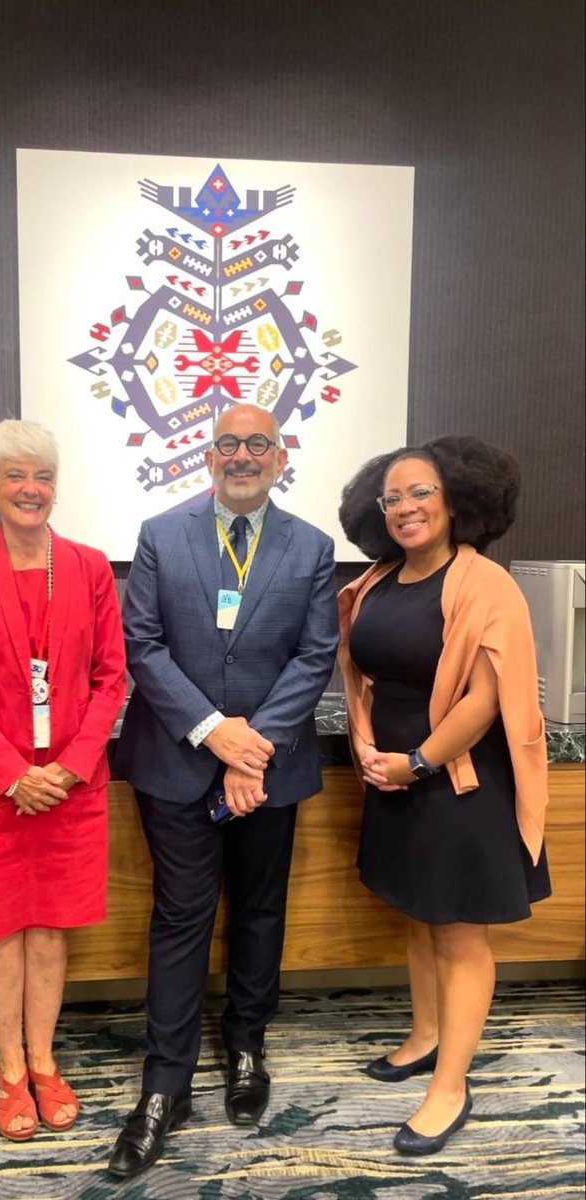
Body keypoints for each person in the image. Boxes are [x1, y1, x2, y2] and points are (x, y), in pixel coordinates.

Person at [108, 402, 339, 1178]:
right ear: (208, 456)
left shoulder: (310, 547)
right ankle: (163, 1085)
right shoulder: (159, 534)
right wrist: (214, 733)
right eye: (228, 443)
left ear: (280, 458)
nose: (242, 456)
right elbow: (140, 644)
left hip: (269, 767)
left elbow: (313, 657)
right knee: (180, 914)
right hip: (175, 760)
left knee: (260, 907)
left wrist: (251, 751)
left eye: (258, 445)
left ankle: (246, 1047)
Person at [337, 435, 551, 1156]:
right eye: (391, 496)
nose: (403, 507)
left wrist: (418, 763)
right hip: (393, 775)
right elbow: (361, 676)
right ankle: (424, 1036)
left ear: (456, 499)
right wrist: (365, 745)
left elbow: (484, 700)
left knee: (458, 930)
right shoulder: (378, 579)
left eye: (419, 492)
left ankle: (451, 1085)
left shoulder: (485, 584)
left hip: (458, 783)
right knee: (415, 910)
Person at [0, 418, 126, 1141]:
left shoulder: (90, 566)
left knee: (48, 929)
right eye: (14, 475)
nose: (29, 488)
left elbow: (112, 678)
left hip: (71, 788)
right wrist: (13, 774)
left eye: (41, 475)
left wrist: (69, 767)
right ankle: (9, 1068)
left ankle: (45, 1060)